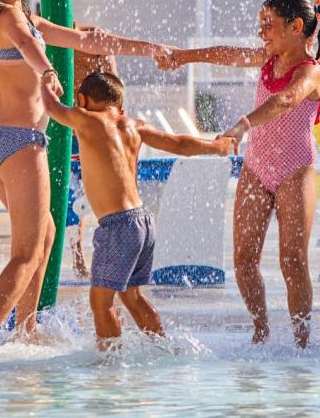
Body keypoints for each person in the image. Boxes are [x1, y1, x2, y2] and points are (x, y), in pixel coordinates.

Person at [0, 0, 172, 360]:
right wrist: (47, 74)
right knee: (26, 252)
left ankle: (25, 332)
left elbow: (87, 42)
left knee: (44, 234)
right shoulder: (6, 16)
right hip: (18, 142)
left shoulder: (22, 16)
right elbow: (30, 50)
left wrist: (148, 48)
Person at [161, 0, 320, 348]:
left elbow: (284, 101)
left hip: (295, 171)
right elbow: (227, 54)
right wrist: (184, 57)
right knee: (243, 258)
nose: (261, 33)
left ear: (296, 27)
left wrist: (241, 126)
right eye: (260, 25)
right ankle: (261, 330)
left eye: (269, 24)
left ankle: (302, 342)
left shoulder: (310, 72)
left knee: (293, 262)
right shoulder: (268, 60)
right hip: (257, 168)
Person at [36, 69, 231, 348]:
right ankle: (163, 347)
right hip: (144, 222)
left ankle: (109, 361)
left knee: (100, 301)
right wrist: (216, 146)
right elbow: (178, 143)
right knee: (132, 296)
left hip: (118, 226)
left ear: (82, 99)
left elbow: (52, 108)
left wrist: (45, 81)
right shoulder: (134, 125)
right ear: (120, 106)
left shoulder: (86, 119)